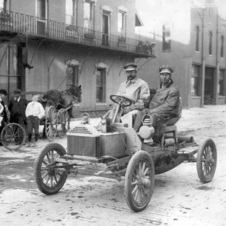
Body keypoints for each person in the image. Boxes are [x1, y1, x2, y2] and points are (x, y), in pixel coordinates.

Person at [134, 65, 181, 142]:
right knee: (140, 113)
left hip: (167, 116)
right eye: (162, 75)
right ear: (160, 76)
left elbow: (168, 106)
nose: (164, 77)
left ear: (170, 76)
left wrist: (151, 111)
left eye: (166, 75)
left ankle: (150, 140)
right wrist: (142, 88)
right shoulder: (161, 87)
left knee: (152, 117)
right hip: (156, 112)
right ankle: (135, 135)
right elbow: (153, 91)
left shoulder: (174, 89)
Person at [107, 63, 150, 127]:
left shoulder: (142, 84)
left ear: (135, 72)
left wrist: (131, 108)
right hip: (122, 108)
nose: (129, 74)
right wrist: (115, 105)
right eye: (127, 72)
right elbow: (118, 98)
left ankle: (127, 133)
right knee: (111, 113)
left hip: (135, 109)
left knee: (129, 115)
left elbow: (144, 101)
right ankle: (110, 130)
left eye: (131, 72)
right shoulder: (122, 85)